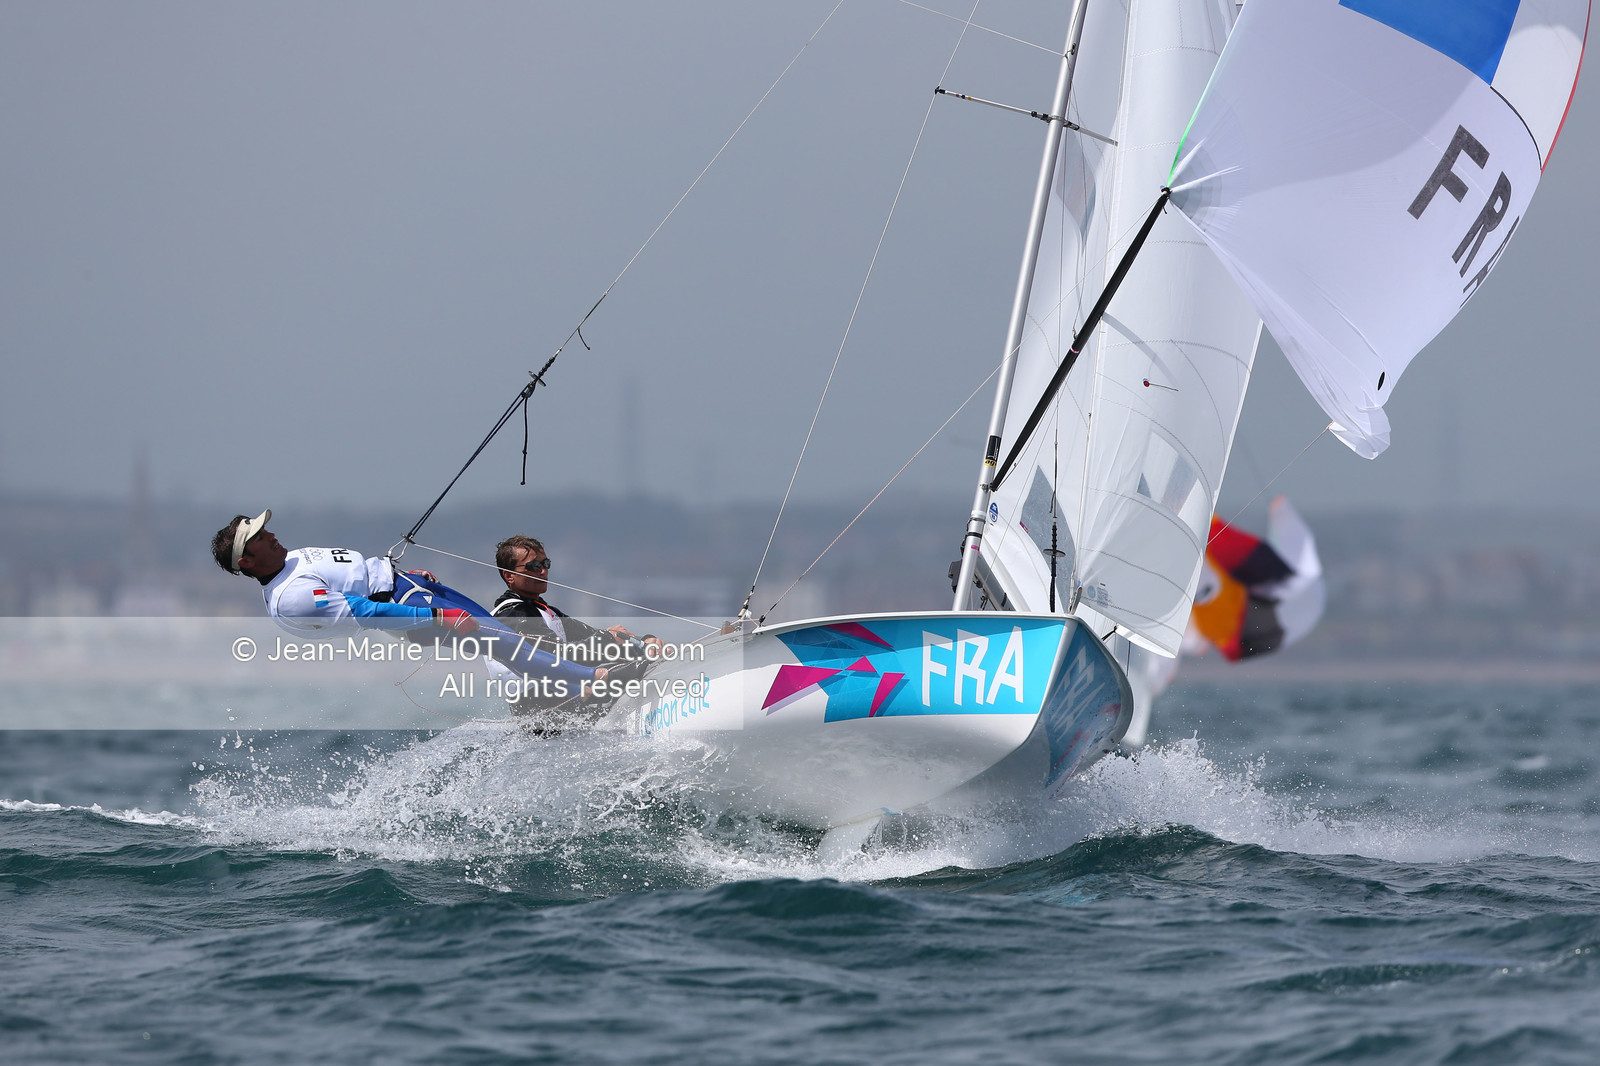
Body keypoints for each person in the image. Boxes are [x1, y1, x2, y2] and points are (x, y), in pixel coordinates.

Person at [210, 510, 635, 697]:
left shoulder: (289, 559)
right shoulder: (291, 598)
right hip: (409, 609)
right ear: (246, 561)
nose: (271, 535)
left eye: (265, 530)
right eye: (259, 538)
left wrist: (406, 576)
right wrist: (438, 615)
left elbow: (358, 574)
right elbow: (371, 611)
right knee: (504, 641)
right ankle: (591, 680)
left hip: (408, 587)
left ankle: (573, 689)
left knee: (505, 636)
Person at [490, 535, 662, 666]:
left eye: (546, 564)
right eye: (534, 566)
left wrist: (643, 643)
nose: (543, 571)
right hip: (542, 703)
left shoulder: (546, 611)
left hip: (569, 699)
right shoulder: (511, 614)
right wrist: (607, 638)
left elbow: (591, 638)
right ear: (509, 576)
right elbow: (553, 656)